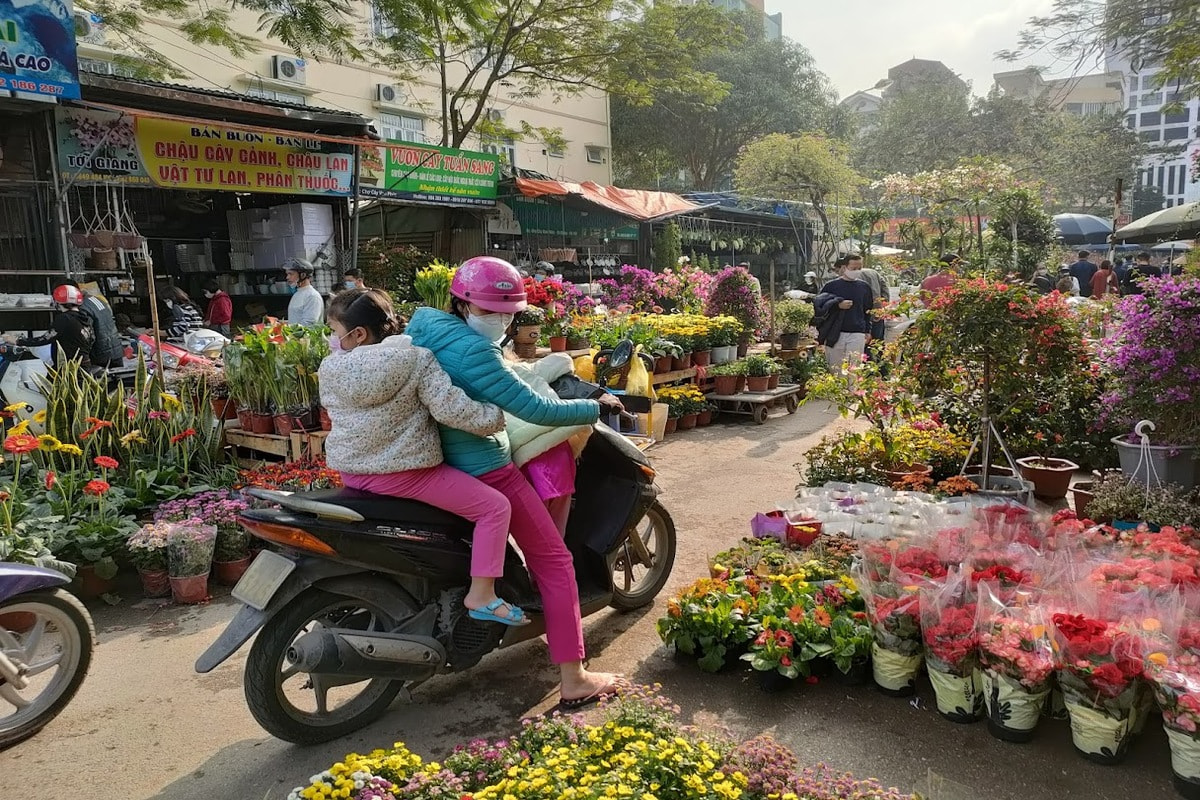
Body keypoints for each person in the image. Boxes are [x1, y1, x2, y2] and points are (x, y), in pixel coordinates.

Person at [405, 256, 624, 708]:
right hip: (485, 466)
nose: (500, 320)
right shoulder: (476, 351)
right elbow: (533, 409)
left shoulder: (426, 329)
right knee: (555, 562)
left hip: (438, 462)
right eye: (490, 310)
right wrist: (593, 408)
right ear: (463, 303)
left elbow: (510, 379)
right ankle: (575, 679)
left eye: (507, 312)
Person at [320, 288, 530, 626]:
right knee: (495, 508)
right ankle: (482, 594)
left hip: (352, 473)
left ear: (358, 334)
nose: (332, 339)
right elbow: (452, 411)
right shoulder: (416, 359)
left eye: (333, 331)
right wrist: (494, 415)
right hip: (405, 475)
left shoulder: (330, 367)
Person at [15, 284, 95, 368]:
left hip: (69, 367)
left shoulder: (64, 319)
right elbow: (92, 339)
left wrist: (18, 341)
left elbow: (45, 339)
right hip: (85, 363)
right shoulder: (85, 318)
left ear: (58, 302)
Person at [816, 255, 874, 369]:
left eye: (859, 268)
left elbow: (868, 310)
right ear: (844, 267)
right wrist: (837, 305)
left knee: (854, 368)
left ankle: (852, 388)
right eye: (853, 268)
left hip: (857, 332)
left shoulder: (864, 287)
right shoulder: (831, 286)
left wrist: (867, 330)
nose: (856, 271)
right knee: (835, 368)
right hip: (836, 332)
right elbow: (819, 306)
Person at [63, 280, 124, 368]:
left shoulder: (81, 308)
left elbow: (87, 336)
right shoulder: (96, 299)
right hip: (115, 351)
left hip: (99, 356)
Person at [852, 255, 889, 345]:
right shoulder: (874, 272)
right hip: (878, 310)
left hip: (861, 314)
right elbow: (885, 288)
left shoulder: (853, 276)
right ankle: (879, 358)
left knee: (864, 342)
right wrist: (883, 304)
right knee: (878, 340)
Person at [285, 258, 325, 326]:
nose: (287, 277)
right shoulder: (297, 294)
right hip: (294, 336)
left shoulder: (312, 296)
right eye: (287, 274)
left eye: (291, 274)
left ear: (303, 275)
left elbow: (308, 324)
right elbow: (295, 319)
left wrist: (286, 327)